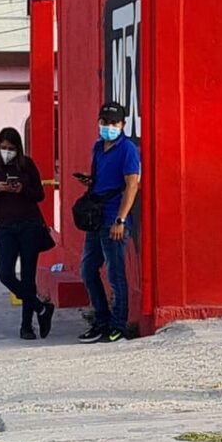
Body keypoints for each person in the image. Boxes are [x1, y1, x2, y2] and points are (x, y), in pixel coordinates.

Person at [73, 102, 141, 344]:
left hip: (114, 218)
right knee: (88, 269)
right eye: (105, 122)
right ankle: (101, 320)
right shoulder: (98, 147)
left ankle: (118, 325)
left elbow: (132, 185)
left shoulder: (128, 149)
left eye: (114, 123)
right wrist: (90, 181)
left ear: (122, 125)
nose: (108, 127)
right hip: (96, 216)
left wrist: (120, 220)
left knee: (115, 272)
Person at [0, 127, 55, 340]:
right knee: (5, 274)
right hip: (5, 227)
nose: (7, 152)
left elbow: (40, 195)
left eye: (11, 148)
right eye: (3, 147)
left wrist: (22, 189)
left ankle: (27, 326)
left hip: (29, 225)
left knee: (28, 276)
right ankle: (41, 307)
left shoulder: (27, 165)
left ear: (18, 149)